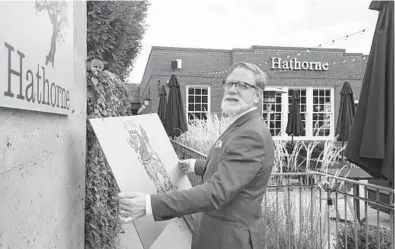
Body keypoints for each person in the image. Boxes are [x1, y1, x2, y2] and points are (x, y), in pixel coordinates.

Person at [118, 62, 275, 249]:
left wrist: (149, 203)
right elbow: (230, 167)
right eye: (230, 83)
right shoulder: (241, 124)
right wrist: (194, 165)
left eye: (243, 85)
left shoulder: (251, 134)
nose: (233, 89)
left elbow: (217, 192)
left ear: (257, 96)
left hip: (227, 240)